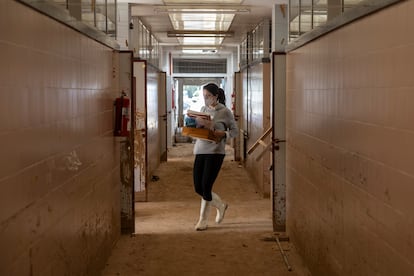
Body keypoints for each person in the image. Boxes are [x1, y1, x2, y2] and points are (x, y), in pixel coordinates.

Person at [192, 83, 238, 231]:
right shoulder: (203, 110)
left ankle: (203, 220)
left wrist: (223, 134)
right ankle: (220, 205)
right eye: (204, 97)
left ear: (216, 96)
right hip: (200, 149)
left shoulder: (225, 112)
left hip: (215, 152)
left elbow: (235, 131)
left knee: (206, 186)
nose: (206, 99)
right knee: (198, 187)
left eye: (208, 96)